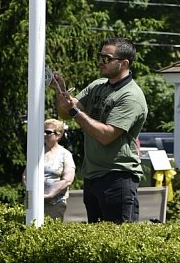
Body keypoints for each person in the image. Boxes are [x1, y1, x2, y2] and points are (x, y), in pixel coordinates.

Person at [54, 37, 148, 223]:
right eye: (100, 57)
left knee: (118, 245)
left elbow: (106, 135)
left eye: (106, 58)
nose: (100, 62)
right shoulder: (97, 86)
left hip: (118, 178)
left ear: (124, 63)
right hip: (93, 176)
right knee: (96, 244)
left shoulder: (131, 96)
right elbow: (65, 113)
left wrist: (74, 111)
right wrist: (60, 91)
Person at [42, 118, 75, 220]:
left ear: (58, 135)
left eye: (48, 132)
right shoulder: (37, 152)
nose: (44, 135)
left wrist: (50, 195)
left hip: (54, 204)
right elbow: (26, 175)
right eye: (43, 132)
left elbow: (67, 180)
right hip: (34, 202)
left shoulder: (65, 154)